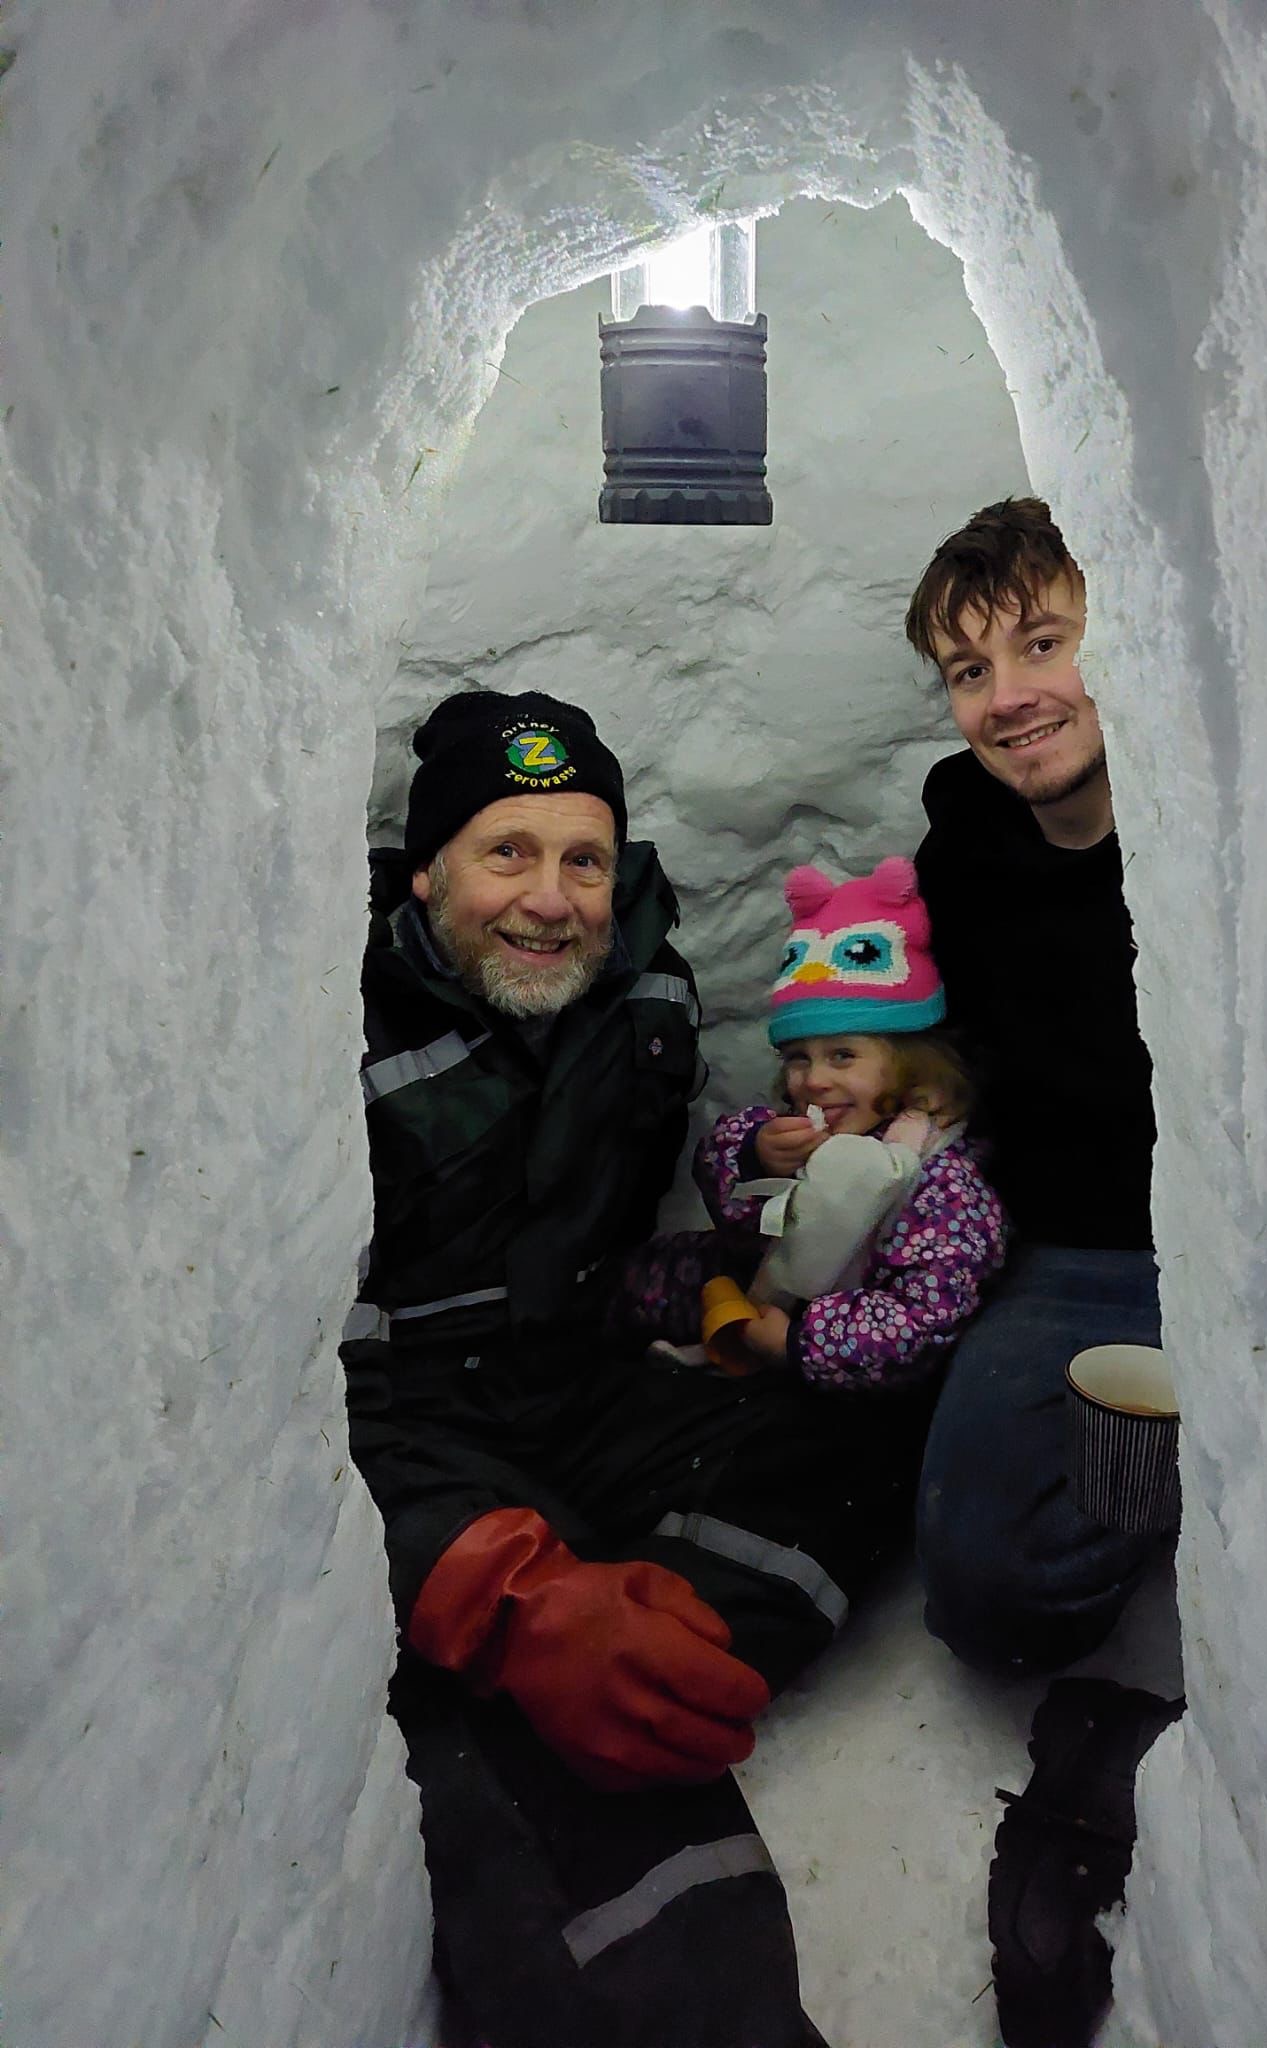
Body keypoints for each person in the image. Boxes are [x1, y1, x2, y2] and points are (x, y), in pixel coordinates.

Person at [342, 687, 927, 2048]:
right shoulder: (337, 1027)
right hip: (407, 1423)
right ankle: (525, 1684)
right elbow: (294, 1390)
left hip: (579, 1389)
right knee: (484, 1657)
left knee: (865, 1421)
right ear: (427, 870)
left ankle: (615, 1657)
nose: (551, 899)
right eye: (506, 852)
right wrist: (503, 1589)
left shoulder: (642, 982)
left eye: (585, 858)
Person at [904, 500, 1181, 2048]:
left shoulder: (1207, 812)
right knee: (989, 1587)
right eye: (968, 669)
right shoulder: (970, 846)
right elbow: (956, 1046)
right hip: (1083, 1255)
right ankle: (1161, 1473)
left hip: (1241, 1248)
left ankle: (1193, 1465)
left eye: (1043, 643)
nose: (1008, 695)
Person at [615, 856, 1009, 1388]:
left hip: (829, 1340)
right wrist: (756, 1154)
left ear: (912, 1063)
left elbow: (923, 1319)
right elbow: (735, 1208)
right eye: (799, 1058)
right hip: (750, 1284)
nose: (814, 1080)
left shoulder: (941, 1185)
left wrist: (799, 1339)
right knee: (645, 1276)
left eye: (843, 1056)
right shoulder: (809, 1128)